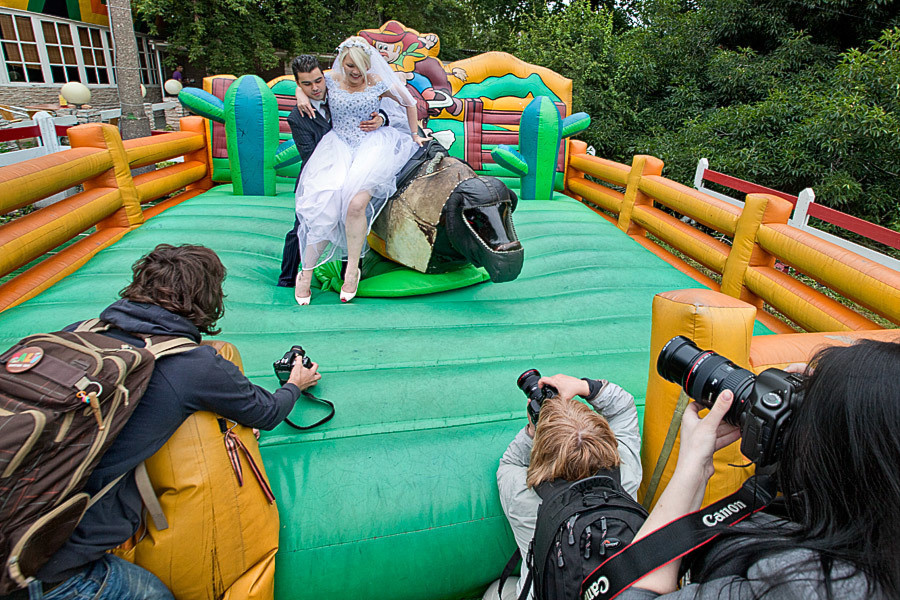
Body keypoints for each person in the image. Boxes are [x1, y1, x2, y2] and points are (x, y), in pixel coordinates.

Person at [28, 244, 321, 600]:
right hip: (51, 566)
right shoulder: (193, 366)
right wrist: (295, 384)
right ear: (207, 300)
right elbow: (267, 413)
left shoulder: (80, 333)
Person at [620, 339, 900, 599]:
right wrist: (835, 396)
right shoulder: (870, 519)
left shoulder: (806, 584)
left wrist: (692, 469)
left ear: (849, 462)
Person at [292, 36, 426, 305]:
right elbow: (308, 85)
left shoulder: (377, 82)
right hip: (338, 147)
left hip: (372, 148)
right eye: (350, 65)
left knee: (355, 205)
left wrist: (414, 134)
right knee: (326, 206)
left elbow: (410, 103)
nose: (355, 72)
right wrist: (299, 93)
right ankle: (304, 273)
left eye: (360, 67)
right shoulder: (330, 80)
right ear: (342, 61)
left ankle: (352, 269)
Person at [489, 374, 642, 600]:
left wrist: (533, 431)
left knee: (497, 590)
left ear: (542, 448)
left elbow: (510, 462)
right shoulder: (626, 471)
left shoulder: (523, 494)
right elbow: (623, 407)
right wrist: (583, 387)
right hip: (622, 588)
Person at [277, 54, 388, 288]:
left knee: (353, 213)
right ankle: (288, 278)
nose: (315, 88)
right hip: (320, 172)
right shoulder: (298, 117)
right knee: (304, 224)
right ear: (298, 84)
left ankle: (352, 271)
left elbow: (379, 104)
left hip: (356, 164)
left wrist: (381, 119)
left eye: (318, 80)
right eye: (306, 84)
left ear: (324, 76)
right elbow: (310, 155)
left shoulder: (338, 92)